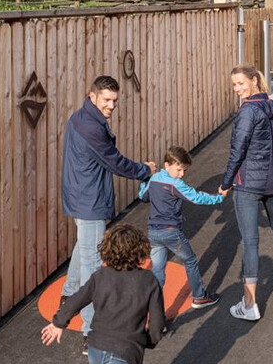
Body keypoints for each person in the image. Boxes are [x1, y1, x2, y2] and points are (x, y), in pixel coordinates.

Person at [60, 75, 156, 350]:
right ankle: (90, 332)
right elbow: (115, 163)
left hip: (80, 194)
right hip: (89, 199)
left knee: (85, 245)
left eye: (114, 100)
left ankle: (68, 295)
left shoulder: (79, 117)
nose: (111, 105)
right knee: (93, 266)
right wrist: (145, 170)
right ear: (93, 96)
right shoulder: (91, 127)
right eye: (106, 100)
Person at [220, 64, 273, 321]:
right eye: (234, 84)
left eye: (241, 83)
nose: (237, 89)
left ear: (254, 81)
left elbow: (238, 151)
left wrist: (225, 182)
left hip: (248, 184)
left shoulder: (248, 111)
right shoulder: (271, 105)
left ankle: (249, 303)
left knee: (250, 241)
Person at [42, 223, 166, 364]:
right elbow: (157, 321)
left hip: (96, 347)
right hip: (126, 350)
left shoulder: (100, 276)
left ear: (107, 250)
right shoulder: (148, 280)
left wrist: (58, 323)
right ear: (140, 250)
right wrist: (148, 340)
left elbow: (75, 300)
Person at [139, 146, 224, 309]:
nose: (181, 174)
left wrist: (145, 179)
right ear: (167, 165)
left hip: (154, 232)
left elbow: (143, 197)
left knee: (158, 271)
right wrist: (219, 198)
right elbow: (196, 198)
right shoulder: (175, 184)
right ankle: (199, 296)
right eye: (179, 170)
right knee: (190, 260)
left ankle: (154, 310)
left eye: (184, 171)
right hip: (171, 231)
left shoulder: (154, 179)